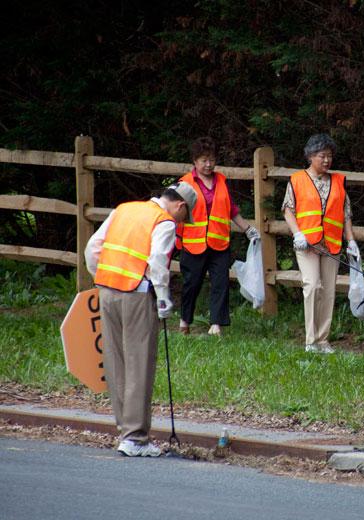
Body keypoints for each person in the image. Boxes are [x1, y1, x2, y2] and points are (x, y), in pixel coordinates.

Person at [85, 183, 197, 456]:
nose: (182, 222)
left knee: (116, 361)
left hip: (107, 290)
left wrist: (102, 278)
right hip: (137, 293)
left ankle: (126, 430)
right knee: (139, 363)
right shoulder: (165, 221)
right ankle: (136, 438)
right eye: (186, 216)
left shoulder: (123, 210)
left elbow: (93, 248)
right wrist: (163, 296)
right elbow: (158, 260)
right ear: (180, 206)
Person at [282, 134, 359, 353]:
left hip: (332, 243)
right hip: (306, 244)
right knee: (312, 286)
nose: (326, 160)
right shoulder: (297, 180)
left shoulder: (338, 181)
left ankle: (323, 340)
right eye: (322, 156)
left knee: (329, 292)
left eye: (330, 156)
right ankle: (310, 340)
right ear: (310, 157)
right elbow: (288, 209)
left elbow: (346, 213)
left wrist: (351, 240)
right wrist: (297, 233)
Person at [176, 137, 259, 336]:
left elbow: (231, 209)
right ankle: (185, 320)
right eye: (204, 160)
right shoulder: (185, 183)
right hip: (193, 243)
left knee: (220, 283)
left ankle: (216, 325)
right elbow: (175, 211)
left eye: (212, 159)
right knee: (192, 284)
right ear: (194, 161)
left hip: (219, 242)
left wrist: (248, 229)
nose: (208, 164)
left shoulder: (221, 180)